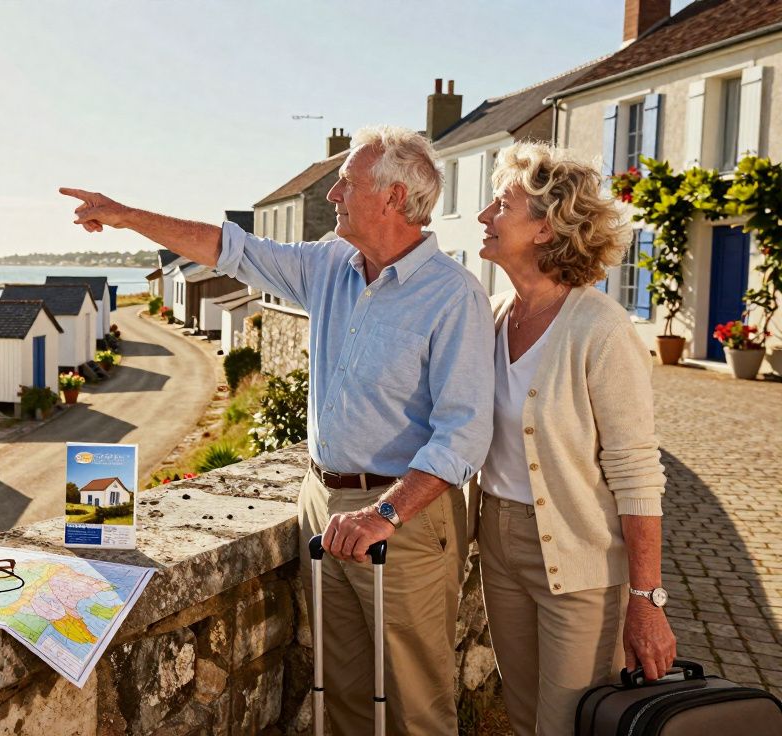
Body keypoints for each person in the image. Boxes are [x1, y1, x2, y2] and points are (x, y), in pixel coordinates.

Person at [61, 125, 493, 735]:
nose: (334, 193)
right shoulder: (329, 266)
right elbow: (228, 248)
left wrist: (383, 515)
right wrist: (127, 216)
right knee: (341, 688)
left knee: (415, 701)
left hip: (405, 516)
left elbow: (464, 436)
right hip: (320, 504)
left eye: (347, 181)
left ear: (395, 197)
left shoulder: (454, 296)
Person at [472, 141, 676, 735]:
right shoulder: (492, 314)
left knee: (569, 723)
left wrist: (647, 600)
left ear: (546, 226)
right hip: (499, 540)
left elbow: (637, 472)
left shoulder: (601, 329)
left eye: (500, 204)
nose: (485, 216)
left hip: (580, 555)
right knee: (523, 714)